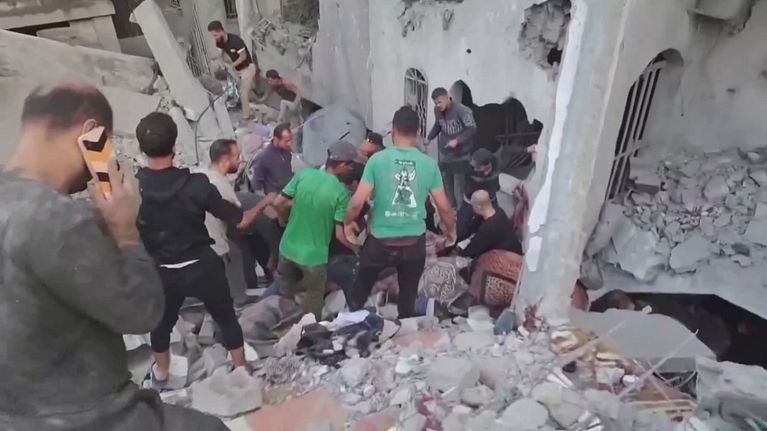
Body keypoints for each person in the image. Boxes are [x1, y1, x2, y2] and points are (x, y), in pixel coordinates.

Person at [0, 83, 228, 430]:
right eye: (106, 144)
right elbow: (142, 313)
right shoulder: (59, 218)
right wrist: (126, 232)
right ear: (91, 134)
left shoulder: (20, 204)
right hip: (91, 417)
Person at [135, 112, 255, 388]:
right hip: (202, 264)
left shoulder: (134, 187)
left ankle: (162, 374)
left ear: (141, 149)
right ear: (175, 144)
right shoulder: (197, 183)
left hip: (163, 270)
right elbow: (233, 216)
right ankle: (241, 370)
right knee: (226, 317)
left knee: (161, 324)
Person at [345, 106, 457, 318]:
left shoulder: (376, 160)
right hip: (414, 243)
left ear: (393, 131)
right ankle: (405, 325)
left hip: (380, 242)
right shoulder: (429, 164)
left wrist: (348, 223)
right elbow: (444, 207)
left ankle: (351, 318)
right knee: (408, 294)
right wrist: (451, 232)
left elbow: (356, 203)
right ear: (418, 133)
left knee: (360, 289)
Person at [273, 140, 361, 319]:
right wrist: (357, 249)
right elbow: (340, 235)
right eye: (350, 164)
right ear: (342, 165)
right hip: (313, 258)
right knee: (313, 302)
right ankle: (310, 331)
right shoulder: (341, 193)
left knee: (286, 296)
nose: (352, 168)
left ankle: (284, 327)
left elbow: (278, 202)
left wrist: (283, 220)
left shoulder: (304, 175)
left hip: (287, 248)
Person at [427, 87, 477, 207]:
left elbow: (472, 128)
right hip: (446, 152)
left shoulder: (462, 110)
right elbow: (438, 125)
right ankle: (450, 206)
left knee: (458, 185)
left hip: (461, 154)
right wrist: (429, 138)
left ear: (447, 97)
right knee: (447, 181)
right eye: (435, 103)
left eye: (440, 102)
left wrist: (457, 140)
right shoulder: (438, 110)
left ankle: (460, 210)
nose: (438, 105)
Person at [208, 20, 258, 121]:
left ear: (221, 31)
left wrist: (232, 65)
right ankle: (252, 106)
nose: (215, 37)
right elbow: (220, 54)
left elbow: (243, 57)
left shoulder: (236, 41)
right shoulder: (220, 42)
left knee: (243, 94)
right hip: (237, 70)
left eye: (215, 35)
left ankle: (246, 117)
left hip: (247, 68)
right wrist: (223, 64)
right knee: (243, 92)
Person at [457, 190, 522, 259]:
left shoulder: (488, 227)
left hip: (508, 256)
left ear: (478, 207)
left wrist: (459, 251)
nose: (472, 208)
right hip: (514, 248)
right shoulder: (498, 210)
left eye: (473, 205)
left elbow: (472, 249)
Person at [457, 148, 502, 241]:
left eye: (478, 167)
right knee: (461, 232)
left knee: (496, 229)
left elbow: (507, 150)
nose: (475, 168)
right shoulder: (467, 166)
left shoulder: (497, 164)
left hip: (490, 201)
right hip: (470, 201)